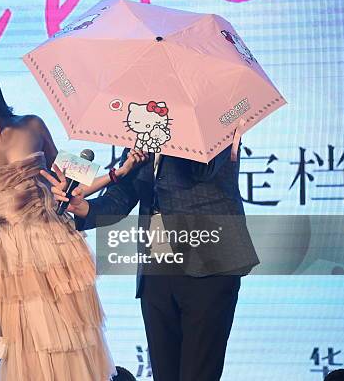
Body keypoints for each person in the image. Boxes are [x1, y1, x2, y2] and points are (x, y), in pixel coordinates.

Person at [0, 50, 143, 381]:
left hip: (58, 246)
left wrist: (120, 171)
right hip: (9, 260)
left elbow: (70, 183)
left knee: (74, 346)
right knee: (28, 355)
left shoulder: (32, 124)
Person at [43, 145, 260, 381]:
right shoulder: (146, 128)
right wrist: (84, 207)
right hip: (155, 268)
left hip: (210, 264)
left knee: (198, 373)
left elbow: (201, 169)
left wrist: (169, 136)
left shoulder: (215, 121)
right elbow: (123, 195)